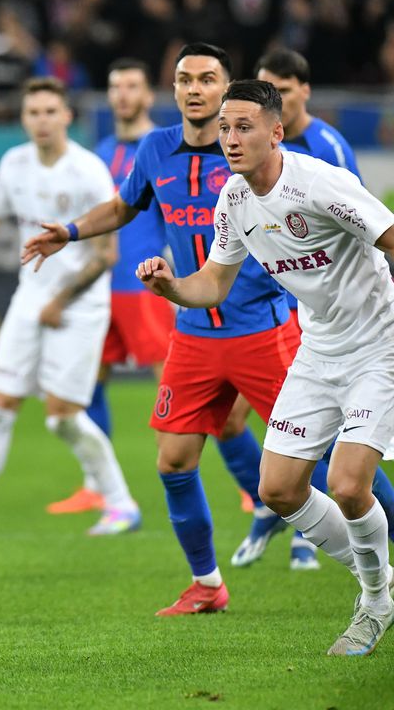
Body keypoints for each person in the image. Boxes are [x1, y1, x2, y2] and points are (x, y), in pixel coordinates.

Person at [21, 43, 298, 615]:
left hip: (263, 331)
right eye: (184, 80)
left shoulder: (253, 154)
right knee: (173, 461)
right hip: (194, 335)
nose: (194, 89)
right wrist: (69, 232)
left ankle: (374, 549)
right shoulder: (154, 150)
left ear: (228, 88)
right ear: (171, 91)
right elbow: (123, 207)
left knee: (322, 464)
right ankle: (207, 584)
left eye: (207, 79)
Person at [137, 78, 394, 655]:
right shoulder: (233, 199)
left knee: (349, 485)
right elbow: (213, 283)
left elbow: (390, 235)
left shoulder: (321, 184)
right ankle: (379, 579)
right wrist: (170, 286)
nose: (230, 138)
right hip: (318, 347)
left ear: (277, 132)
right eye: (225, 129)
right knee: (277, 489)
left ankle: (374, 602)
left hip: (380, 345)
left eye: (244, 127)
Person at [0, 76, 141, 538]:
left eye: (49, 112)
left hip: (78, 306)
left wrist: (61, 300)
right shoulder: (14, 164)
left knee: (61, 417)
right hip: (29, 297)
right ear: (23, 118)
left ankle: (121, 503)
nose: (41, 120)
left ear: (67, 117)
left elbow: (106, 254)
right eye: (32, 112)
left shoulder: (88, 170)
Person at [48, 58, 171, 516]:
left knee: (170, 379)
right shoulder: (100, 151)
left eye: (132, 86)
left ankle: (182, 470)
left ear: (147, 95)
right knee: (89, 381)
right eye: (115, 86)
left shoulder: (163, 148)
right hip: (101, 285)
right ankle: (96, 484)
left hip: (145, 285)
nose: (122, 94)